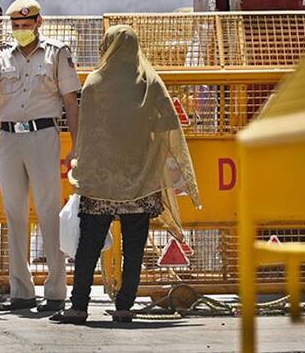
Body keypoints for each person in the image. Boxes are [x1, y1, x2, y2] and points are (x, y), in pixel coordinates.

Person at [50, 25, 201, 324]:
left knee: (88, 246)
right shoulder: (150, 83)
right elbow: (166, 126)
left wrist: (86, 171)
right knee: (134, 248)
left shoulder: (95, 84)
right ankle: (124, 307)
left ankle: (78, 306)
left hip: (101, 184)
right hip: (140, 182)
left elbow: (89, 137)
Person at [0, 0, 80, 312]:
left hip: (43, 135)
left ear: (39, 22)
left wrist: (77, 144)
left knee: (49, 212)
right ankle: (21, 290)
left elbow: (72, 101)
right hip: (8, 137)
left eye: (26, 24)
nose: (21, 30)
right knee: (14, 213)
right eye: (16, 26)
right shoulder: (3, 55)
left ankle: (56, 290)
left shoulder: (57, 53)